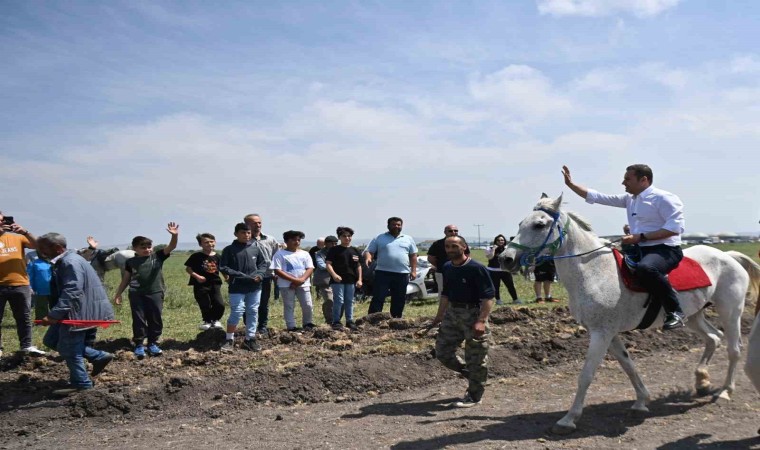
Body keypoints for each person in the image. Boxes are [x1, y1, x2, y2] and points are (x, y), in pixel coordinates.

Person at [562, 164, 686, 330]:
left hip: (664, 249)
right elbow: (598, 197)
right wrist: (571, 185)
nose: (623, 183)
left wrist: (640, 237)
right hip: (638, 248)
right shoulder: (630, 199)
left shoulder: (664, 198)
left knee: (646, 269)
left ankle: (675, 311)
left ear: (644, 180)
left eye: (628, 179)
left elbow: (674, 229)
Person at [36, 233, 115, 396]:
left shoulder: (69, 262)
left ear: (57, 248)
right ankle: (98, 356)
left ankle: (82, 384)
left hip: (78, 313)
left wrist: (54, 315)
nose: (40, 252)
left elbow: (72, 290)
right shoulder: (70, 259)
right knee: (51, 340)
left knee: (69, 349)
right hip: (79, 310)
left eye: (43, 248)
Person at [432, 235, 495, 408]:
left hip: (473, 314)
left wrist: (481, 321)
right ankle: (472, 374)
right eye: (447, 246)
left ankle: (474, 396)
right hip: (452, 314)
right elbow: (445, 293)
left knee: (476, 357)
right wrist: (439, 316)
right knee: (443, 352)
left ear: (464, 247)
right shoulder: (447, 267)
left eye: (454, 246)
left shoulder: (477, 268)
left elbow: (489, 297)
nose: (450, 250)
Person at [113, 222, 179, 358]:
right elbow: (126, 278)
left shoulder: (157, 257)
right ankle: (139, 345)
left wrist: (174, 236)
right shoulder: (130, 262)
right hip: (136, 294)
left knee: (155, 318)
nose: (147, 249)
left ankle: (153, 343)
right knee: (139, 319)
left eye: (149, 246)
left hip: (155, 292)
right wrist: (118, 293)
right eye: (143, 247)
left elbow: (171, 246)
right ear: (134, 248)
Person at [0, 211, 46, 358]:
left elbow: (39, 246)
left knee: (24, 317)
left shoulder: (17, 238)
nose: (2, 222)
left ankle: (26, 346)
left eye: (3, 220)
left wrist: (25, 231)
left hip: (20, 284)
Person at [219, 223, 269, 352]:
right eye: (243, 233)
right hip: (237, 286)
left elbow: (263, 264)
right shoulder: (229, 250)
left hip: (255, 286)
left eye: (248, 233)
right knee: (237, 310)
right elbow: (223, 267)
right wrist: (241, 275)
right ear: (236, 234)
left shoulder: (256, 248)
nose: (246, 235)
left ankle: (250, 339)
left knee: (252, 310)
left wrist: (260, 275)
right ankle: (229, 339)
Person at [365, 217, 418, 318]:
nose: (396, 226)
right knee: (378, 297)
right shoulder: (379, 238)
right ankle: (373, 319)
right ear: (388, 225)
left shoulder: (408, 238)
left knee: (399, 298)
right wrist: (368, 258)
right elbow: (369, 251)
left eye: (398, 225)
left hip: (402, 273)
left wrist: (414, 270)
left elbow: (413, 255)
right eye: (394, 224)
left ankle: (396, 319)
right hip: (382, 272)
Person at [270, 230, 315, 332]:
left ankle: (308, 323)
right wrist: (294, 280)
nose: (297, 242)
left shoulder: (305, 254)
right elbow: (277, 270)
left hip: (303, 284)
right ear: (286, 241)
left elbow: (310, 268)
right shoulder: (280, 254)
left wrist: (301, 280)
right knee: (289, 305)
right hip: (286, 285)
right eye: (294, 240)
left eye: (299, 240)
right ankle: (291, 326)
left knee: (307, 304)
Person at [244, 214, 280, 338]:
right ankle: (248, 326)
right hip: (249, 277)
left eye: (259, 222)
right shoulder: (245, 240)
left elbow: (276, 256)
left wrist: (275, 272)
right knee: (249, 302)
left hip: (266, 276)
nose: (258, 225)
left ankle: (262, 326)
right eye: (254, 223)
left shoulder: (270, 239)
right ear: (247, 225)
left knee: (264, 302)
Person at [185, 233, 225, 331]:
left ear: (215, 242)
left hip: (215, 283)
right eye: (206, 242)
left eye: (211, 241)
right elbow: (188, 269)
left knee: (219, 303)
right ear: (201, 244)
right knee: (204, 303)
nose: (209, 244)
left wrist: (227, 278)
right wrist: (197, 276)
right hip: (200, 284)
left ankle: (215, 320)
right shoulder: (196, 256)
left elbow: (223, 269)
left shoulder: (218, 256)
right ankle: (207, 321)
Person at [326, 227, 363, 331]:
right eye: (344, 236)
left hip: (351, 280)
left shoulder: (355, 250)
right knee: (339, 300)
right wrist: (334, 275)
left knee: (350, 301)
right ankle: (336, 321)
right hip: (338, 280)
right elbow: (328, 264)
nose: (347, 238)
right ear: (339, 238)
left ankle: (349, 321)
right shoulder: (334, 250)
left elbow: (359, 266)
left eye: (349, 236)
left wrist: (360, 279)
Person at [427, 225, 470, 298]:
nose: (453, 232)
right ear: (445, 232)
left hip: (460, 271)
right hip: (442, 272)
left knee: (460, 289)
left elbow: (467, 255)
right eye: (450, 231)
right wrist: (441, 266)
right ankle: (444, 309)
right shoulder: (438, 243)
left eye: (456, 231)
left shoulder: (462, 242)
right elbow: (431, 258)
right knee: (443, 292)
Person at [485, 234, 521, 305]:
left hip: (505, 270)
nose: (500, 241)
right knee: (496, 286)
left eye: (502, 240)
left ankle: (515, 299)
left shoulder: (507, 248)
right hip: (493, 271)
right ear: (495, 241)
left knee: (510, 285)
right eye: (498, 240)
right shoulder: (489, 248)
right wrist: (493, 249)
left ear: (504, 241)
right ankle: (498, 300)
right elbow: (490, 257)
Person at [313, 236, 337, 324]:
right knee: (329, 300)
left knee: (338, 301)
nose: (334, 245)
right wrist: (335, 266)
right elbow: (322, 266)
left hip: (337, 280)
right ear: (326, 244)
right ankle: (330, 321)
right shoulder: (319, 253)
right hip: (325, 280)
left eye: (335, 243)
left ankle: (335, 319)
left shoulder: (339, 252)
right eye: (332, 243)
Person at [27, 254, 53, 319]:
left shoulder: (54, 262)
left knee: (55, 306)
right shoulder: (34, 263)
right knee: (41, 306)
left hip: (54, 289)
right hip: (40, 290)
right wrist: (30, 287)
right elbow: (30, 277)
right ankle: (41, 321)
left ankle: (54, 320)